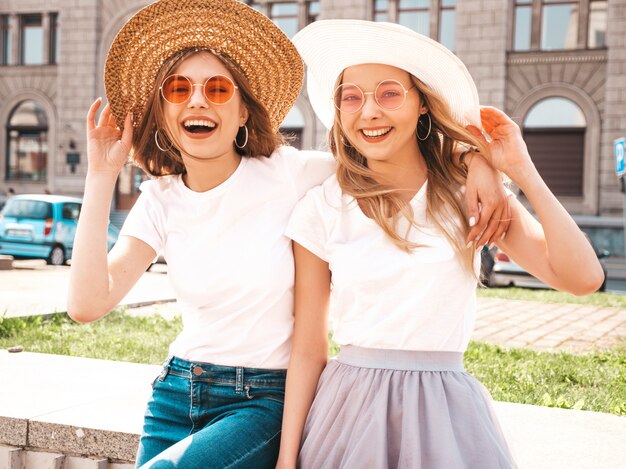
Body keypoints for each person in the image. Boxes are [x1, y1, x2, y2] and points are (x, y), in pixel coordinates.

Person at [68, 1, 509, 467]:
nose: (197, 100)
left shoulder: (292, 174)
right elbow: (87, 304)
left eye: (217, 89)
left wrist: (475, 162)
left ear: (242, 113)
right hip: (177, 392)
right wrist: (100, 178)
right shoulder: (160, 200)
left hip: (261, 399)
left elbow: (394, 154)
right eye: (179, 89)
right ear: (164, 113)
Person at [276, 20, 605, 469]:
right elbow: (308, 349)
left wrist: (517, 169)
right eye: (351, 97)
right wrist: (286, 457)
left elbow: (584, 278)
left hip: (446, 412)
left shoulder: (469, 197)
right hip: (348, 412)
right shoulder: (322, 207)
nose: (369, 112)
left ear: (422, 106)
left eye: (389, 93)